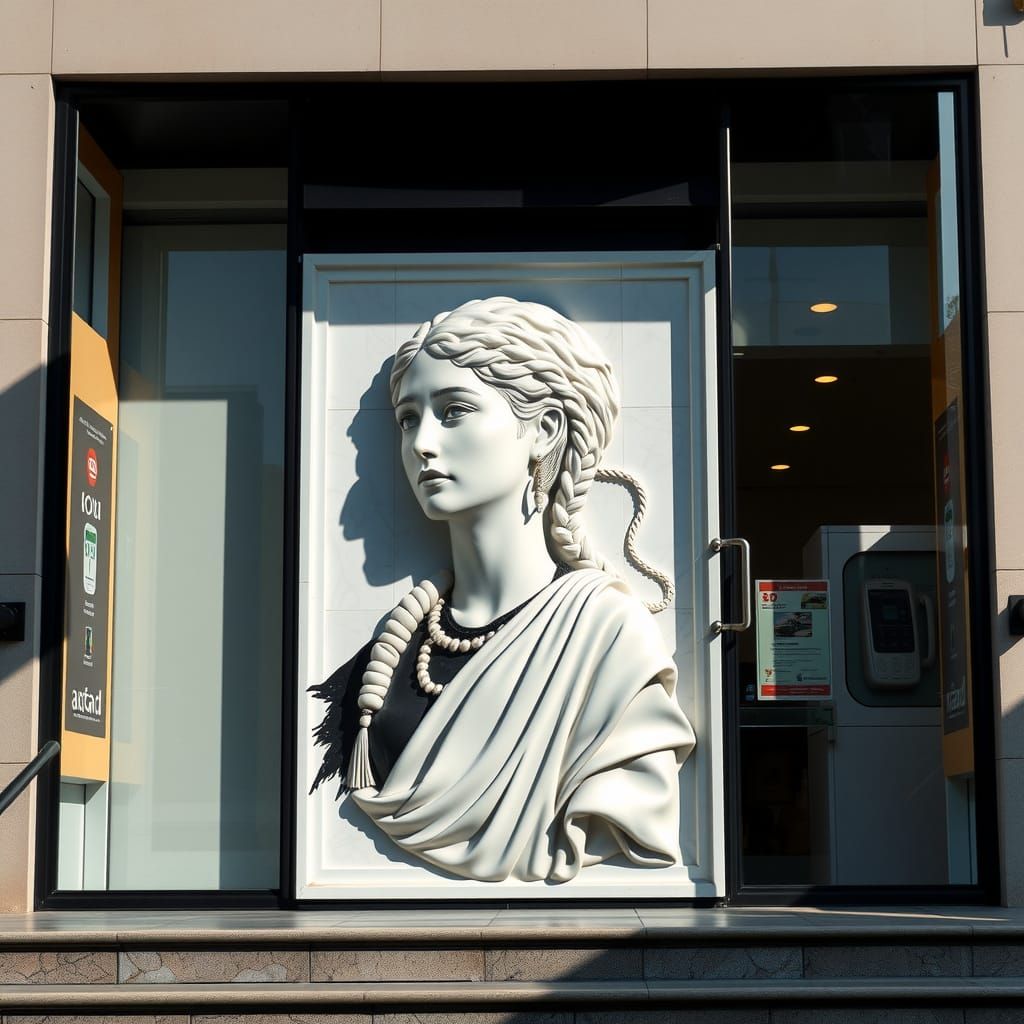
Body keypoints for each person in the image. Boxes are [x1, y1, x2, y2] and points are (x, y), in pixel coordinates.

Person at [311, 297, 695, 883]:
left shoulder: (607, 636)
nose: (420, 443)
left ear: (543, 430)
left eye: (454, 410)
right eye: (409, 418)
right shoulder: (396, 643)